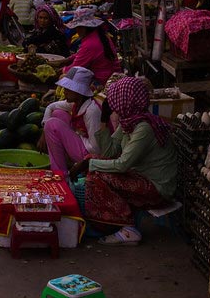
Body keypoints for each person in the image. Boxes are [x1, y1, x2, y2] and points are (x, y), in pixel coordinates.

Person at [69, 76, 177, 246]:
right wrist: (104, 120)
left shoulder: (144, 128)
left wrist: (87, 163)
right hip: (140, 177)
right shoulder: (129, 122)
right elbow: (110, 151)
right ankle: (119, 220)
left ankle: (126, 227)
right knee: (94, 163)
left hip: (157, 188)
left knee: (96, 174)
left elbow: (122, 164)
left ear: (126, 101)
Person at [38, 67, 101, 173]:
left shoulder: (92, 111)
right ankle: (63, 162)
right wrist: (44, 131)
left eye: (68, 89)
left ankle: (60, 174)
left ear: (79, 92)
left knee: (52, 125)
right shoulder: (76, 103)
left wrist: (72, 137)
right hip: (81, 144)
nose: (64, 92)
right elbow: (51, 107)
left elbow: (95, 148)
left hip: (90, 156)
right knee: (58, 113)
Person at [58, 14, 122, 86]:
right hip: (111, 75)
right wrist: (65, 60)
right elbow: (81, 54)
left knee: (63, 78)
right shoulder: (99, 35)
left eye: (78, 27)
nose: (76, 30)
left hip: (104, 81)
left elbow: (76, 67)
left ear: (84, 28)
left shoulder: (90, 43)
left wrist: (61, 70)